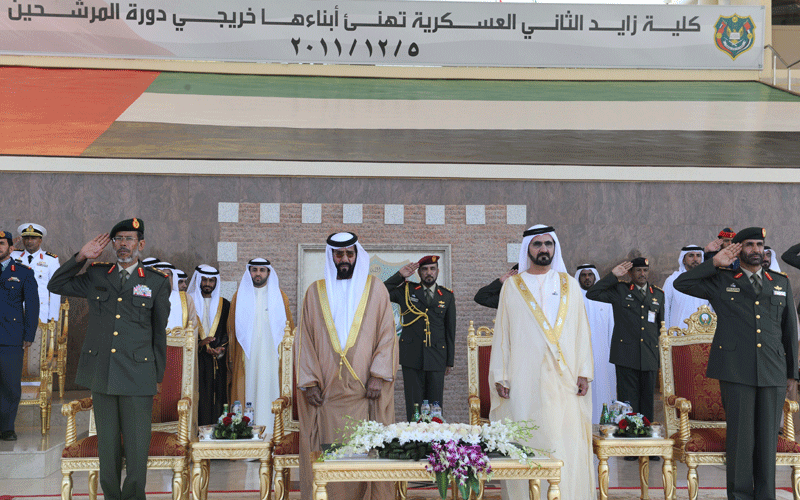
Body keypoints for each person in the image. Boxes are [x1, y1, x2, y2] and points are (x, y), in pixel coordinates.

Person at [48, 219, 170, 500]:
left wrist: (157, 377)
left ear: (140, 244)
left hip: (138, 375)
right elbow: (56, 284)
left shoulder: (155, 282)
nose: (123, 244)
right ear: (112, 244)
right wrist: (80, 257)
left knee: (138, 450)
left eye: (129, 239)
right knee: (108, 448)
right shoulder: (98, 275)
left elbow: (158, 333)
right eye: (118, 239)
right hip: (102, 372)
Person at [674, 227, 798, 500]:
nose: (756, 249)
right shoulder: (722, 279)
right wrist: (712, 263)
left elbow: (790, 331)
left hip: (772, 370)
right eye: (750, 244)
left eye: (760, 245)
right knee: (741, 441)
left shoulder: (780, 282)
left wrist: (793, 374)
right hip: (735, 370)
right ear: (739, 249)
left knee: (767, 442)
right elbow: (680, 284)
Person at [489, 225, 595, 500]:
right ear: (528, 249)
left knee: (564, 440)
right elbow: (503, 333)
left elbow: (581, 330)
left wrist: (584, 371)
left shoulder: (569, 284)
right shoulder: (512, 286)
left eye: (548, 244)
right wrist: (501, 374)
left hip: (566, 379)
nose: (544, 249)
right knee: (529, 439)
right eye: (537, 244)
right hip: (524, 379)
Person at [296, 232, 397, 500]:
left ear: (356, 256)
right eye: (339, 254)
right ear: (331, 256)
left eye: (350, 254)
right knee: (332, 457)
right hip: (327, 395)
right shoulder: (314, 293)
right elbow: (305, 339)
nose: (344, 259)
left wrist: (378, 374)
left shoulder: (376, 289)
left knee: (365, 454)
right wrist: (309, 382)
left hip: (365, 392)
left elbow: (387, 335)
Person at [586, 256, 664, 461]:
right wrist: (613, 276)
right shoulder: (620, 291)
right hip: (626, 355)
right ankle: (630, 442)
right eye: (638, 271)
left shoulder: (658, 295)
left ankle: (647, 444)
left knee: (647, 400)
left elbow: (659, 327)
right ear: (630, 273)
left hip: (648, 354)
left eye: (645, 271)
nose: (642, 274)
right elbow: (593, 292)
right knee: (629, 402)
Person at [384, 255, 456, 421]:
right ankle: (414, 442)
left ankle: (435, 443)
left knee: (435, 406)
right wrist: (400, 275)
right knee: (414, 406)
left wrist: (449, 361)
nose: (428, 272)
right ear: (419, 272)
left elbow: (450, 330)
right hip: (412, 356)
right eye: (424, 269)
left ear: (437, 271)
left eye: (432, 269)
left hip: (437, 357)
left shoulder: (446, 296)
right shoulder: (407, 290)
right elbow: (382, 290)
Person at [227, 258, 294, 430]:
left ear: (268, 272)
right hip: (247, 358)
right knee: (247, 390)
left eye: (262, 270)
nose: (258, 273)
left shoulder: (280, 297)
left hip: (272, 358)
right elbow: (231, 330)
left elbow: (289, 330)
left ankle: (274, 434)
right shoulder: (238, 296)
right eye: (254, 270)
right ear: (249, 272)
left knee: (270, 389)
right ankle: (246, 436)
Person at [0, 230, 39, 441]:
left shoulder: (23, 272)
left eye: (1, 243)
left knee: (10, 385)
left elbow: (32, 305)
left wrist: (29, 335)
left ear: (10, 248)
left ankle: (7, 428)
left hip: (10, 337)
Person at [10, 223, 60, 377]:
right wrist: (10, 245)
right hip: (14, 312)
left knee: (37, 351)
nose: (29, 241)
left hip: (41, 313)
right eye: (26, 238)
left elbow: (56, 290)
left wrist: (53, 318)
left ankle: (38, 386)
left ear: (40, 240)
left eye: (33, 238)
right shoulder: (13, 256)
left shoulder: (51, 260)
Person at [187, 264, 230, 425]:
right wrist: (200, 343)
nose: (208, 284)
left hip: (217, 361)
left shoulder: (224, 304)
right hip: (194, 359)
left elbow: (228, 331)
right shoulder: (188, 301)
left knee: (217, 395)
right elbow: (183, 330)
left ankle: (217, 432)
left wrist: (220, 348)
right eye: (204, 279)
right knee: (198, 395)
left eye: (212, 280)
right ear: (198, 279)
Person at [575, 263, 615, 424]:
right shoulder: (574, 299)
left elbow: (611, 328)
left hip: (603, 353)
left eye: (590, 275)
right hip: (580, 356)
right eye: (583, 275)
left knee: (604, 387)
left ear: (595, 277)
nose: (587, 278)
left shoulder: (605, 298)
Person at [662, 245, 710, 330]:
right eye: (691, 256)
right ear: (683, 260)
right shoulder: (672, 281)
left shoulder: (707, 281)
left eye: (698, 256)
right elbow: (664, 309)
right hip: (678, 336)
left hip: (703, 336)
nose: (695, 259)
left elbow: (712, 310)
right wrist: (666, 335)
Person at [152, 262, 201, 333]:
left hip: (179, 341)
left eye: (167, 275)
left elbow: (193, 323)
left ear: (173, 277)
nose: (163, 277)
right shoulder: (148, 296)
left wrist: (179, 335)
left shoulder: (186, 298)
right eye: (159, 274)